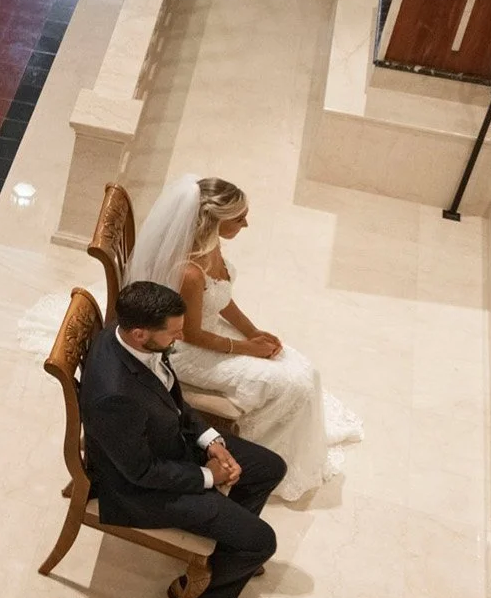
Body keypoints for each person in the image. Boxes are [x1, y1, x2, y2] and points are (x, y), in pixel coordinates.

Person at [79, 279, 286, 598]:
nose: (180, 337)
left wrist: (211, 441)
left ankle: (225, 552)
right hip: (138, 489)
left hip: (168, 443)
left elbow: (172, 399)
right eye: (173, 333)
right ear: (141, 333)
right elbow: (140, 472)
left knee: (270, 468)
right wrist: (208, 476)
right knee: (261, 542)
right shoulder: (114, 395)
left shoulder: (128, 337)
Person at [132, 175, 361, 500]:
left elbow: (220, 297)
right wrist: (247, 348)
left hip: (210, 335)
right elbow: (192, 333)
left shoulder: (210, 244)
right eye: (239, 218)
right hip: (186, 352)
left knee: (305, 369)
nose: (247, 223)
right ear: (215, 219)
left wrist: (252, 331)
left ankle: (293, 449)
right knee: (289, 384)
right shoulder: (189, 271)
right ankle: (262, 460)